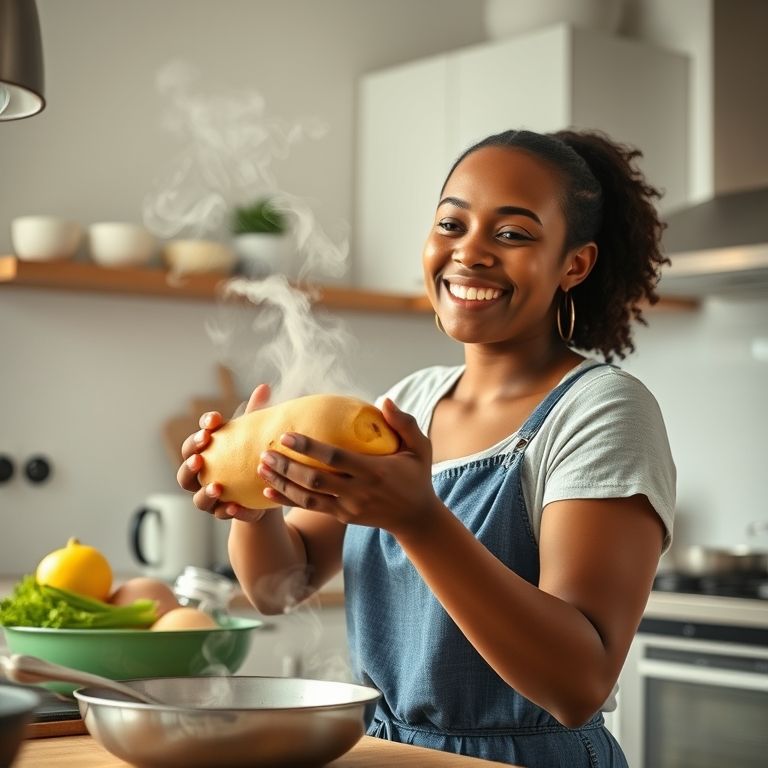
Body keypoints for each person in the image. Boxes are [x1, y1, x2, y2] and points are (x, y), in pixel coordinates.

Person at [177, 128, 675, 767]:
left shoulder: (602, 410)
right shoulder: (409, 400)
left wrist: (418, 519)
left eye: (513, 234)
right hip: (390, 754)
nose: (469, 253)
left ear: (573, 264)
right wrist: (256, 505)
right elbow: (284, 583)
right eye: (451, 224)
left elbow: (578, 684)